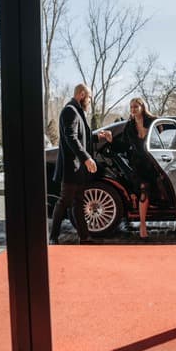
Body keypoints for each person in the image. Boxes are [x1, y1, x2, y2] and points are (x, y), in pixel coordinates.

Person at [49, 83, 112, 245]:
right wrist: (86, 158)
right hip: (71, 167)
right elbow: (71, 138)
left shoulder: (77, 111)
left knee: (78, 202)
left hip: (78, 168)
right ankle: (53, 237)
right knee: (64, 201)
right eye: (89, 97)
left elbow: (85, 136)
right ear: (82, 94)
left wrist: (100, 136)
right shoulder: (70, 110)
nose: (90, 101)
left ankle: (84, 237)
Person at [121, 97, 157, 238]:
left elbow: (164, 139)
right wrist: (110, 139)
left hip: (154, 162)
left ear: (142, 107)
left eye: (136, 106)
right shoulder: (129, 126)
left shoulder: (153, 121)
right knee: (144, 190)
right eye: (131, 107)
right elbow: (123, 145)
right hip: (138, 164)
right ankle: (143, 225)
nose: (133, 109)